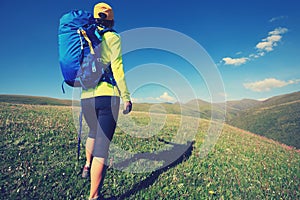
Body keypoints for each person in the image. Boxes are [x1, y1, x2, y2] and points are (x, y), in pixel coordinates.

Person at [80, 2, 132, 200]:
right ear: (111, 20)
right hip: (107, 96)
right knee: (102, 146)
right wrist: (126, 96)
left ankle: (87, 166)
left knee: (92, 133)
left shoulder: (83, 36)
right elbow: (117, 67)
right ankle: (94, 197)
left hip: (86, 97)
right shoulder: (113, 37)